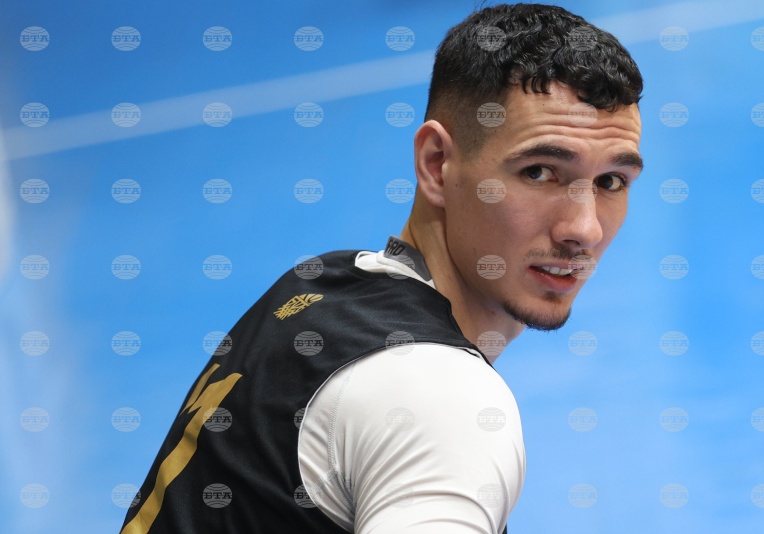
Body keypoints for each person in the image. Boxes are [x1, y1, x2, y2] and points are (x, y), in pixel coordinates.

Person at [121, 3, 643, 533]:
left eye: (611, 182)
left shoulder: (320, 284)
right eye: (539, 172)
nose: (585, 229)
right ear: (437, 165)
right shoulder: (441, 404)